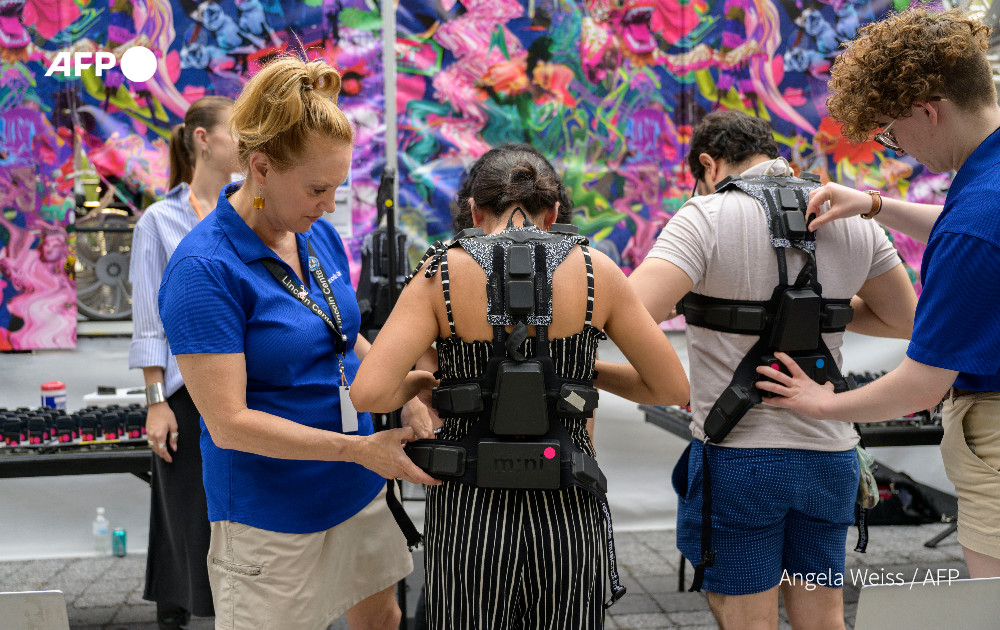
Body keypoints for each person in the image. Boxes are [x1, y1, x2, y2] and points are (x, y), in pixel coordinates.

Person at [350, 146, 689, 628]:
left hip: (470, 503)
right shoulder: (598, 271)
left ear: (473, 210)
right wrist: (579, 376)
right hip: (568, 499)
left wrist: (427, 380)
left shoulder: (439, 272)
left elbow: (369, 394)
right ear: (553, 213)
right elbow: (669, 387)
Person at [158, 57, 438, 630]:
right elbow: (230, 423)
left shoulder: (317, 234)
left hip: (356, 485)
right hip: (271, 512)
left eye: (337, 187)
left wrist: (398, 386)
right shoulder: (204, 270)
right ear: (260, 168)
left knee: (381, 617)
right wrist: (358, 449)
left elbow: (339, 331)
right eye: (317, 188)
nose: (330, 204)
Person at [629, 110, 917, 630]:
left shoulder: (705, 216)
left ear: (708, 164)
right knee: (824, 618)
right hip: (830, 455)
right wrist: (818, 310)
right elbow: (905, 320)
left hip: (739, 457)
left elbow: (632, 313)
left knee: (746, 620)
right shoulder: (849, 217)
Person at [755, 8, 1000, 580]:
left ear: (927, 111)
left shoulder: (974, 225)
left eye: (891, 132)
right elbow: (969, 227)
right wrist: (875, 204)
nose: (896, 146)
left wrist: (822, 404)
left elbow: (921, 383)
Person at [129, 94, 235, 630]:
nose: (244, 141)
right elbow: (149, 320)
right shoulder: (159, 220)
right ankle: (178, 615)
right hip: (182, 393)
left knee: (236, 513)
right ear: (202, 139)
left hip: (243, 386)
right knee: (184, 516)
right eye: (235, 131)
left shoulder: (250, 212)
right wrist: (156, 403)